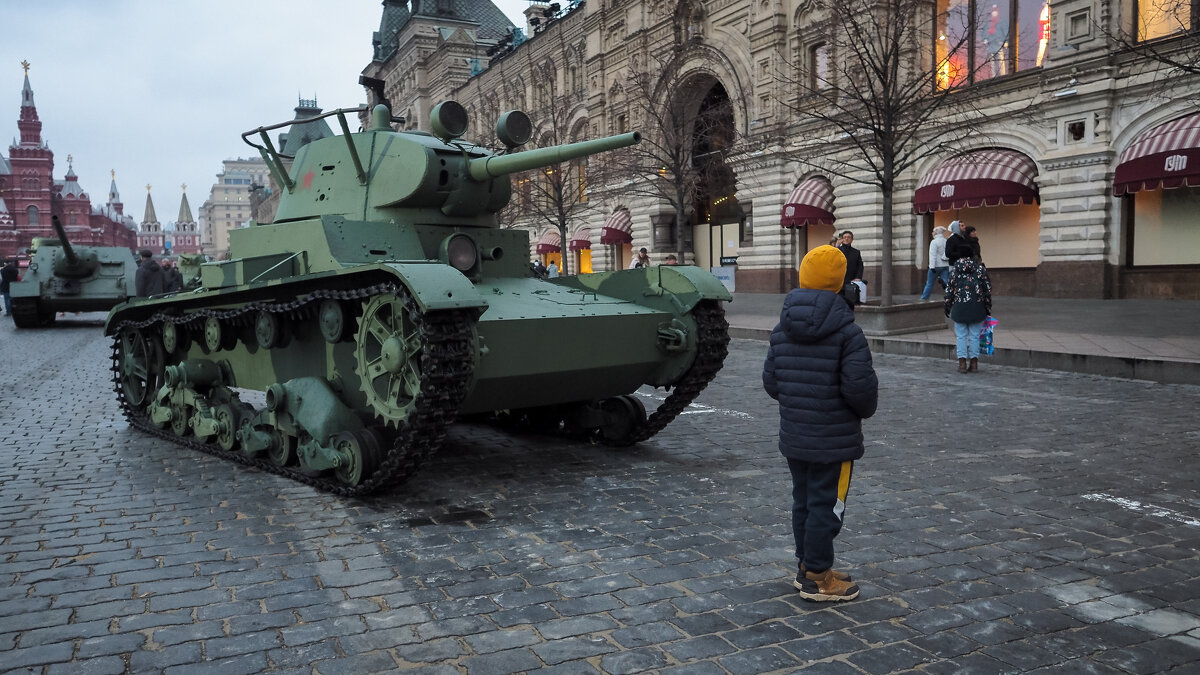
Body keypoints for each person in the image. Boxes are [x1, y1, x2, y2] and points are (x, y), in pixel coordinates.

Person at [763, 245, 879, 603]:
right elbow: (861, 391)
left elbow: (772, 383)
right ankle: (817, 577)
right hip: (834, 439)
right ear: (840, 282)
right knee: (827, 505)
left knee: (804, 501)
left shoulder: (782, 327)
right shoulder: (847, 331)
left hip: (796, 436)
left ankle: (809, 566)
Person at [944, 258, 992, 373]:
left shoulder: (954, 271)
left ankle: (962, 364)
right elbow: (987, 289)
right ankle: (974, 363)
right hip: (977, 307)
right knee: (975, 336)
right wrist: (988, 306)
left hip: (959, 307)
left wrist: (947, 306)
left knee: (961, 336)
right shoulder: (980, 270)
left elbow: (949, 290)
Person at [920, 226, 950, 300]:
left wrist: (932, 267)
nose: (932, 233)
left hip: (936, 266)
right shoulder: (946, 241)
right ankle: (951, 295)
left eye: (933, 231)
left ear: (936, 233)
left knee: (929, 283)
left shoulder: (934, 242)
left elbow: (932, 255)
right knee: (946, 282)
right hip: (945, 265)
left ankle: (924, 298)